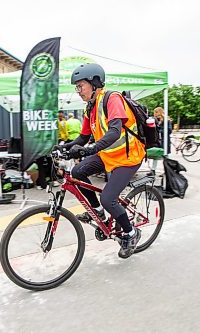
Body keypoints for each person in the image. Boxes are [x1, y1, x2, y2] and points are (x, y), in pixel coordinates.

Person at [59, 63, 145, 259]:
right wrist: (62, 147)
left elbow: (115, 131)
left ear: (94, 83)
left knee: (108, 198)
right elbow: (82, 138)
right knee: (78, 172)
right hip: (108, 155)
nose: (78, 91)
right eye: (77, 87)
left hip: (128, 157)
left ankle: (131, 233)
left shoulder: (112, 99)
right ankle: (97, 212)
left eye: (80, 85)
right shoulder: (90, 107)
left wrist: (90, 149)